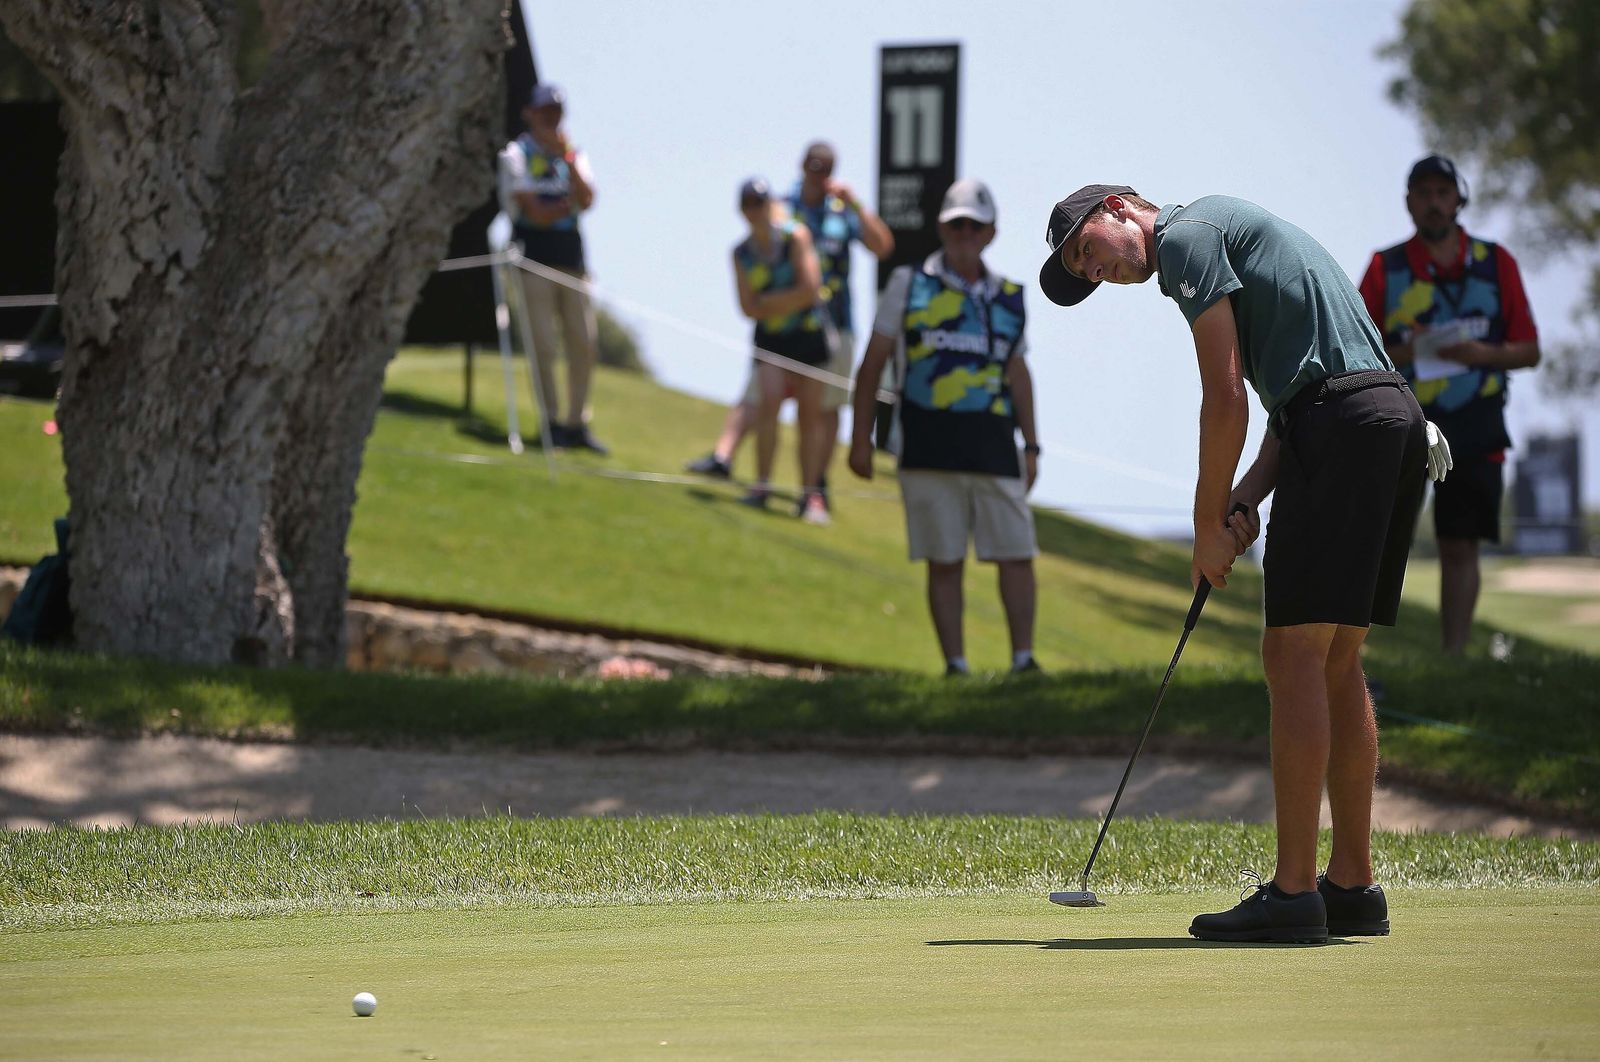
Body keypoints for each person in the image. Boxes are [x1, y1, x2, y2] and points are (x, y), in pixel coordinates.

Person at [1039, 185, 1446, 943]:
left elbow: (1224, 399)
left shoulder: (1188, 241)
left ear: (1123, 206)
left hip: (1340, 424)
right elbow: (1293, 399)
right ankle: (1352, 884)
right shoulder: (1231, 227)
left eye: (1087, 248)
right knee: (1335, 657)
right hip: (1389, 418)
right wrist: (1245, 497)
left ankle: (1294, 894)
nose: (1095, 270)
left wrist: (1203, 526)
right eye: (1082, 271)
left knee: (1290, 650)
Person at [849, 179, 1041, 676]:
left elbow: (1018, 374)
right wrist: (860, 440)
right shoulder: (908, 283)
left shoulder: (1009, 297)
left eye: (975, 225)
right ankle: (956, 666)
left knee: (1017, 552)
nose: (965, 234)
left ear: (991, 232)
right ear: (941, 227)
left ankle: (1023, 660)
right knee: (945, 557)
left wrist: (1032, 445)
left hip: (995, 442)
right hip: (926, 439)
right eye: (957, 224)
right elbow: (871, 366)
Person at [1358, 155, 1541, 654]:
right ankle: (1355, 656)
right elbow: (1352, 347)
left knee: (1460, 542)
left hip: (1477, 420)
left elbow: (1530, 350)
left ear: (1458, 200)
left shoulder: (1495, 261)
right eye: (1424, 193)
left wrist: (1482, 354)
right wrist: (1409, 351)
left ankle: (1453, 659)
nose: (1435, 203)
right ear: (1409, 203)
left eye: (1443, 192)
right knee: (1378, 538)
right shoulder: (1385, 268)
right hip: (1403, 416)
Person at [688, 142, 894, 511]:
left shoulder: (842, 211)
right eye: (814, 167)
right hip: (782, 330)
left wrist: (857, 204)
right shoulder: (781, 206)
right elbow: (752, 291)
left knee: (822, 411)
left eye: (826, 168)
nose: (819, 174)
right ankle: (740, 468)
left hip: (834, 324)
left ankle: (815, 487)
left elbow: (882, 247)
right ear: (802, 166)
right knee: (762, 398)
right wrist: (778, 304)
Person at [497, 83, 608, 454]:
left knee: (584, 344)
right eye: (545, 111)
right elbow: (536, 213)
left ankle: (577, 424)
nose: (552, 118)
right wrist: (568, 205)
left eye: (557, 112)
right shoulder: (516, 154)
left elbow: (588, 198)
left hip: (573, 262)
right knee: (543, 345)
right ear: (529, 113)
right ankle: (552, 422)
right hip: (532, 262)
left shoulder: (574, 155)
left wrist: (570, 163)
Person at [731, 178, 831, 520]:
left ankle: (810, 496)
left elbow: (811, 288)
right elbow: (747, 308)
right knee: (768, 402)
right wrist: (784, 302)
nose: (755, 210)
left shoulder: (795, 236)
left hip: (808, 335)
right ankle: (762, 485)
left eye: (760, 202)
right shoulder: (741, 253)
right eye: (748, 204)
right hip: (771, 340)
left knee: (809, 416)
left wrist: (769, 303)